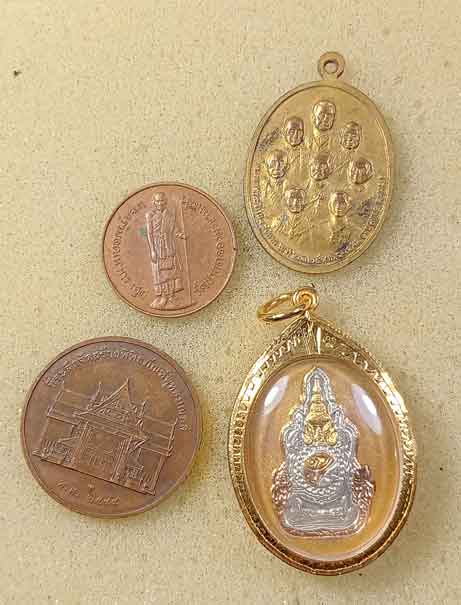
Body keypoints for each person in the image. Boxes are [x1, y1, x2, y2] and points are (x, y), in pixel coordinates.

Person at [145, 192, 185, 309]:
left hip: (169, 245)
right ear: (153, 202)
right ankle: (163, 297)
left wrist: (181, 234)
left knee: (171, 272)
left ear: (166, 201)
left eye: (162, 201)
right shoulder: (150, 215)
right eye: (157, 201)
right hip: (157, 246)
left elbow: (174, 230)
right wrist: (152, 250)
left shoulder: (170, 215)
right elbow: (149, 234)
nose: (160, 203)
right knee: (160, 273)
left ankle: (171, 296)